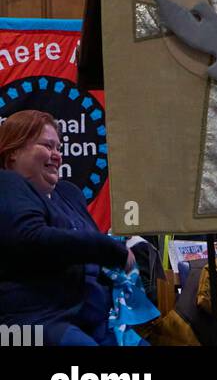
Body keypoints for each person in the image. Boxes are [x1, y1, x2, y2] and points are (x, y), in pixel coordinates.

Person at [0, 110, 134, 345]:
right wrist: (113, 250)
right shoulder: (7, 183)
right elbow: (33, 240)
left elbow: (88, 246)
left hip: (95, 318)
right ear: (13, 153)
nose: (56, 155)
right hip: (34, 321)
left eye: (58, 148)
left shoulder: (69, 193)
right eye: (47, 146)